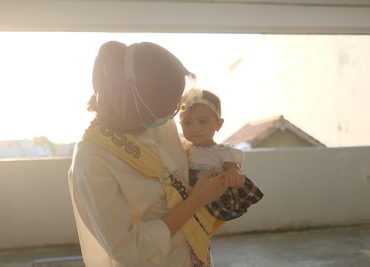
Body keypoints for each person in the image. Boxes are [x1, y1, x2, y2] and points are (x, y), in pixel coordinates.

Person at [68, 41, 242, 267]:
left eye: (175, 105)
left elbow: (180, 170)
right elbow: (127, 248)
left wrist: (224, 170)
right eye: (165, 106)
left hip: (193, 255)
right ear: (130, 97)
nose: (171, 116)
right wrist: (197, 199)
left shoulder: (156, 123)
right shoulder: (92, 158)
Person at [179, 88, 263, 221]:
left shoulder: (222, 151)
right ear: (180, 124)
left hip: (211, 198)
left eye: (202, 121)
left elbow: (233, 168)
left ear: (218, 124)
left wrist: (232, 174)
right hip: (184, 199)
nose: (194, 128)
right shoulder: (181, 147)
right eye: (187, 122)